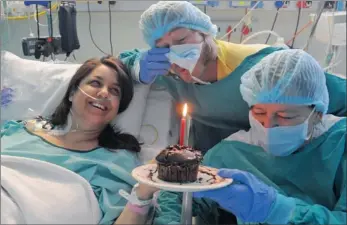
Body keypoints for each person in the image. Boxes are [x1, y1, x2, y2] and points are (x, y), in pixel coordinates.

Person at [119, 1, 347, 153]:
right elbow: (116, 65)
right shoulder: (165, 70)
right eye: (163, 46)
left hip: (281, 165)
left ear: (206, 34)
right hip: (216, 166)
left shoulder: (264, 68)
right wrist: (139, 69)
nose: (174, 53)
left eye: (181, 41)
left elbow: (338, 96)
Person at [152, 49, 346, 225]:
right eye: (260, 113)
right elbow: (177, 194)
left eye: (286, 116)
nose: (268, 125)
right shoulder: (232, 152)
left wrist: (276, 209)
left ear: (318, 113)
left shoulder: (340, 142)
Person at [1, 56, 158, 224]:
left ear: (118, 108)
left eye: (114, 91)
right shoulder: (17, 130)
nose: (104, 93)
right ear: (71, 93)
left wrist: (143, 192)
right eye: (96, 83)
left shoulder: (117, 163)